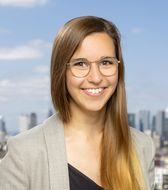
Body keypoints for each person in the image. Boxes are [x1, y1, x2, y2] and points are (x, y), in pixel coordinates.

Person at [0, 16, 155, 190]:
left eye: (106, 62)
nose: (96, 78)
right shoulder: (24, 152)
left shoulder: (142, 146)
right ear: (61, 71)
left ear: (118, 68)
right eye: (80, 64)